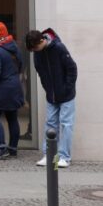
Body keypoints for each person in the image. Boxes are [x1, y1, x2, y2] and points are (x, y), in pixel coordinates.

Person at [26, 28, 78, 168]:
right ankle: (49, 155)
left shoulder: (59, 48)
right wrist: (48, 88)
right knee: (50, 124)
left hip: (66, 95)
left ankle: (64, 157)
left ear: (42, 40)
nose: (35, 51)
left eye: (36, 48)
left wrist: (67, 88)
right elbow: (40, 72)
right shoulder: (37, 53)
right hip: (51, 95)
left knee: (66, 125)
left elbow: (72, 68)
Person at [0, 22, 24, 160]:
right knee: (12, 117)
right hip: (14, 87)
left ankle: (1, 147)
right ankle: (13, 148)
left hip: (1, 89)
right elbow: (21, 66)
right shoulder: (14, 47)